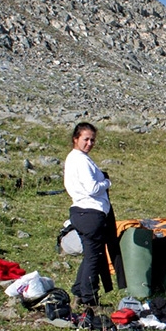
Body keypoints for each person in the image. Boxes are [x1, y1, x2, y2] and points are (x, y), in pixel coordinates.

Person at [64, 122, 120, 306]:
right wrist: (106, 182)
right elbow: (92, 188)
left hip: (79, 212)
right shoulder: (80, 159)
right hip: (90, 213)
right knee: (94, 257)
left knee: (90, 254)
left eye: (92, 140)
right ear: (76, 139)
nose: (89, 143)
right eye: (86, 139)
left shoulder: (73, 159)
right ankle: (90, 298)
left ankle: (79, 292)